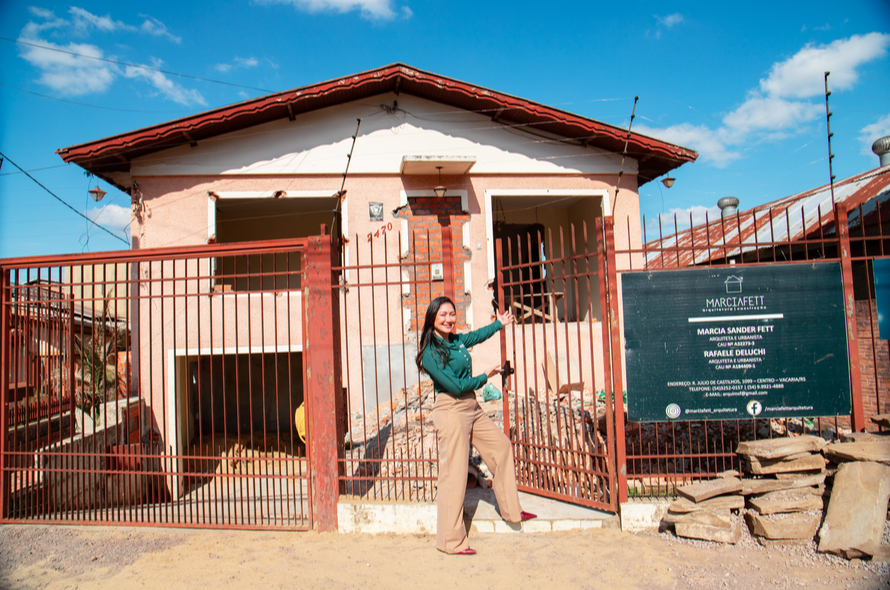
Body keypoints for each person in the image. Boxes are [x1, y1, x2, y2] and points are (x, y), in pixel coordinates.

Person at [416, 296, 535, 555]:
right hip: (450, 409)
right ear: (432, 318)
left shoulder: (456, 341)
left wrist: (499, 324)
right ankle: (450, 541)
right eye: (443, 315)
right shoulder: (430, 353)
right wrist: (485, 377)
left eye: (452, 314)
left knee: (501, 447)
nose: (449, 319)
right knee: (455, 474)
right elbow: (456, 386)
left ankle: (511, 511)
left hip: (471, 407)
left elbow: (477, 336)